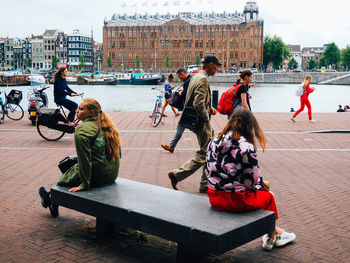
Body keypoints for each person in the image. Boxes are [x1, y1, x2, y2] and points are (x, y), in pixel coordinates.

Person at [205, 108, 296, 251]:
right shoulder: (246, 147)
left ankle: (276, 233)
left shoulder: (213, 142)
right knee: (269, 196)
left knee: (263, 190)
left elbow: (208, 170)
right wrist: (262, 184)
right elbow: (251, 181)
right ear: (250, 127)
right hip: (236, 201)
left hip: (214, 197)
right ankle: (271, 237)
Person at [39, 98, 121, 217]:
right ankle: (50, 198)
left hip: (97, 176)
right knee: (70, 168)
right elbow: (118, 153)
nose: (76, 111)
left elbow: (85, 160)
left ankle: (50, 199)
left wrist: (84, 184)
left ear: (91, 113)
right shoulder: (106, 125)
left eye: (81, 109)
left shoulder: (82, 130)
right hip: (111, 175)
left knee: (63, 180)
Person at [168, 54, 221, 193]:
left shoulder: (196, 76)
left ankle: (204, 184)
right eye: (217, 66)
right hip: (201, 122)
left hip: (194, 120)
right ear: (210, 64)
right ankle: (177, 174)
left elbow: (193, 100)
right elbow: (198, 103)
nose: (217, 69)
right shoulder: (202, 79)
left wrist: (209, 108)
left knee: (209, 150)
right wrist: (206, 117)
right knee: (206, 152)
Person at [161, 68, 192, 153]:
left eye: (179, 77)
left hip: (190, 109)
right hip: (190, 109)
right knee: (181, 127)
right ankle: (172, 146)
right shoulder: (191, 80)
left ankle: (208, 147)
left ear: (182, 74)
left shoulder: (188, 82)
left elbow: (188, 94)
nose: (179, 79)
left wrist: (181, 93)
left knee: (198, 130)